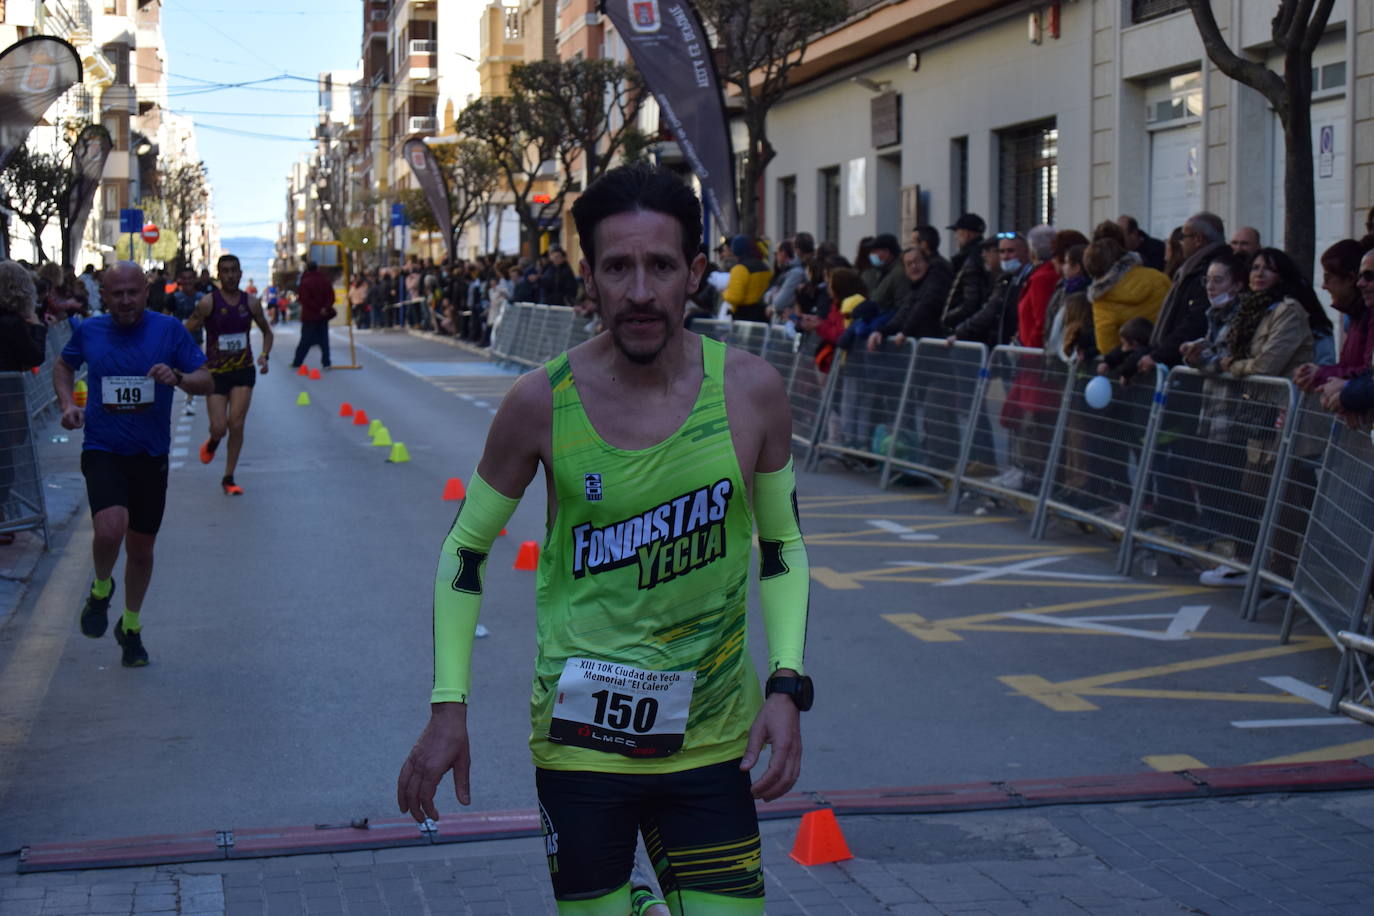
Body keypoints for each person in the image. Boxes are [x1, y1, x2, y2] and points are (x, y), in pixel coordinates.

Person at [396, 163, 810, 915]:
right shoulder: (539, 403)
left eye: (660, 266)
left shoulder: (751, 391)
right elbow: (465, 549)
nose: (642, 292)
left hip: (714, 736)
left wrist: (787, 682)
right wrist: (448, 706)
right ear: (590, 276)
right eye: (619, 267)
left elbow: (780, 545)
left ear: (695, 272)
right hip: (582, 738)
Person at [52, 262, 212, 667]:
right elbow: (63, 366)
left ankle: (132, 626)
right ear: (103, 295)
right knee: (110, 528)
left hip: (150, 455)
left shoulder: (169, 330)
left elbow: (206, 379)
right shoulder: (89, 331)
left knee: (141, 550)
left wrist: (176, 377)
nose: (125, 301)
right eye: (116, 293)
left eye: (132, 292)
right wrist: (68, 404)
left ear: (145, 292)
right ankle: (101, 589)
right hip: (103, 448)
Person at [184, 254, 273, 496]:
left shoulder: (252, 303)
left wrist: (264, 354)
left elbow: (267, 332)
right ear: (219, 274)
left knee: (236, 423)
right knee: (219, 427)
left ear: (241, 274)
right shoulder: (208, 303)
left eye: (234, 270)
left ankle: (228, 476)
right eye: (225, 271)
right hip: (215, 374)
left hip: (243, 371)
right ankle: (213, 441)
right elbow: (185, 331)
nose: (231, 275)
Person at [1296, 239, 1374, 395]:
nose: (1361, 283)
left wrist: (1324, 377)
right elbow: (1350, 366)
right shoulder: (1355, 316)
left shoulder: (1367, 316)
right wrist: (1319, 372)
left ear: (1349, 279)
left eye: (1327, 278)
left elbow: (1367, 372)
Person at [1083, 237, 1170, 359]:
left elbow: (1106, 346)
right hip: (1165, 354)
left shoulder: (1102, 298)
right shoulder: (1158, 277)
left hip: (1132, 362)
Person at [940, 213, 992, 334]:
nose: (955, 237)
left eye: (957, 232)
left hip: (965, 329)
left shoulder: (971, 260)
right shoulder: (979, 255)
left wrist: (947, 319)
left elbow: (970, 301)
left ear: (966, 234)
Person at [168, 269, 203, 417]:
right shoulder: (174, 298)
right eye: (184, 279)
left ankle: (189, 401)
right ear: (180, 280)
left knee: (193, 372)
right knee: (178, 373)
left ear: (195, 280)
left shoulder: (202, 298)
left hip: (196, 340)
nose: (187, 282)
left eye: (190, 278)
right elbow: (165, 317)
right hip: (178, 343)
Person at [291, 260, 335, 369]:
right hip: (323, 316)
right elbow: (331, 296)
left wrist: (317, 308)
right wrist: (325, 308)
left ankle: (297, 362)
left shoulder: (305, 282)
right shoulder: (325, 280)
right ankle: (326, 362)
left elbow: (304, 299)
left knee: (305, 340)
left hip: (309, 316)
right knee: (324, 340)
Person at [721, 234, 772, 322]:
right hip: (763, 314)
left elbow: (735, 297)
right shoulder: (765, 267)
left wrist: (724, 293)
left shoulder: (739, 269)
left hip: (743, 317)